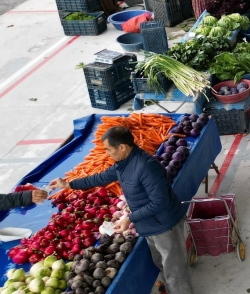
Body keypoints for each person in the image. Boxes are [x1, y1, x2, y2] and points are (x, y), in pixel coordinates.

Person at [49, 126, 193, 294]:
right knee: (161, 263)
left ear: (122, 147)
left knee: (175, 271)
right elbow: (101, 178)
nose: (108, 153)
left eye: (109, 149)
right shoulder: (122, 163)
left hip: (165, 225)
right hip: (148, 225)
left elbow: (159, 202)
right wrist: (68, 184)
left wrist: (129, 218)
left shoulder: (147, 167)